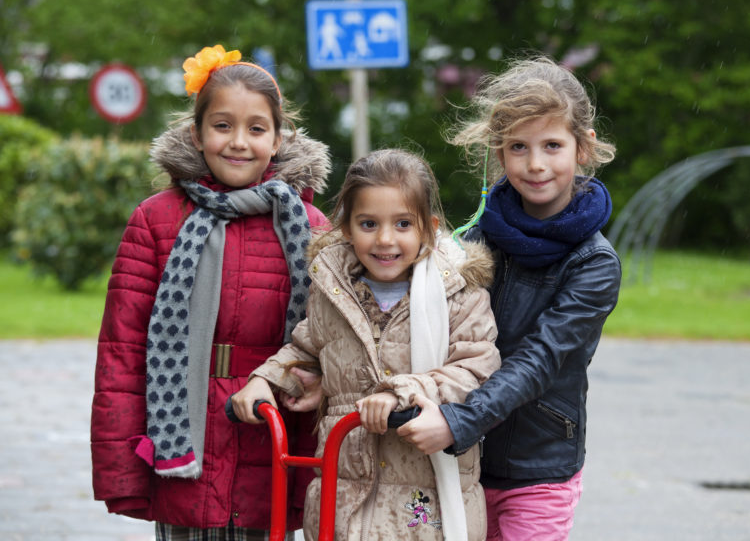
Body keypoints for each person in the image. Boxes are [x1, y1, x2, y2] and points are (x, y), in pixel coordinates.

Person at [90, 44, 331, 540]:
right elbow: (122, 350)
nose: (238, 142)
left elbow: (330, 339)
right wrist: (119, 464)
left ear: (278, 138)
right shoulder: (157, 220)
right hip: (184, 443)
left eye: (256, 128)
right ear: (198, 134)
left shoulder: (310, 228)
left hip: (272, 437)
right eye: (222, 125)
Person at [397, 56, 622, 541]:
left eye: (552, 145)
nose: (535, 163)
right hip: (457, 462)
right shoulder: (475, 238)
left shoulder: (594, 263)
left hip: (537, 468)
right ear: (498, 153)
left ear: (583, 150)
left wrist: (459, 422)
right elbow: (422, 322)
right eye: (518, 146)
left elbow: (538, 361)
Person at [232, 148, 501, 540]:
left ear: (428, 227)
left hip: (424, 502)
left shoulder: (457, 293)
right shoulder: (333, 289)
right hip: (345, 493)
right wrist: (267, 379)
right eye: (369, 223)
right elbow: (308, 348)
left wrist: (403, 393)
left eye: (403, 224)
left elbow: (476, 369)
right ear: (347, 228)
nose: (386, 239)